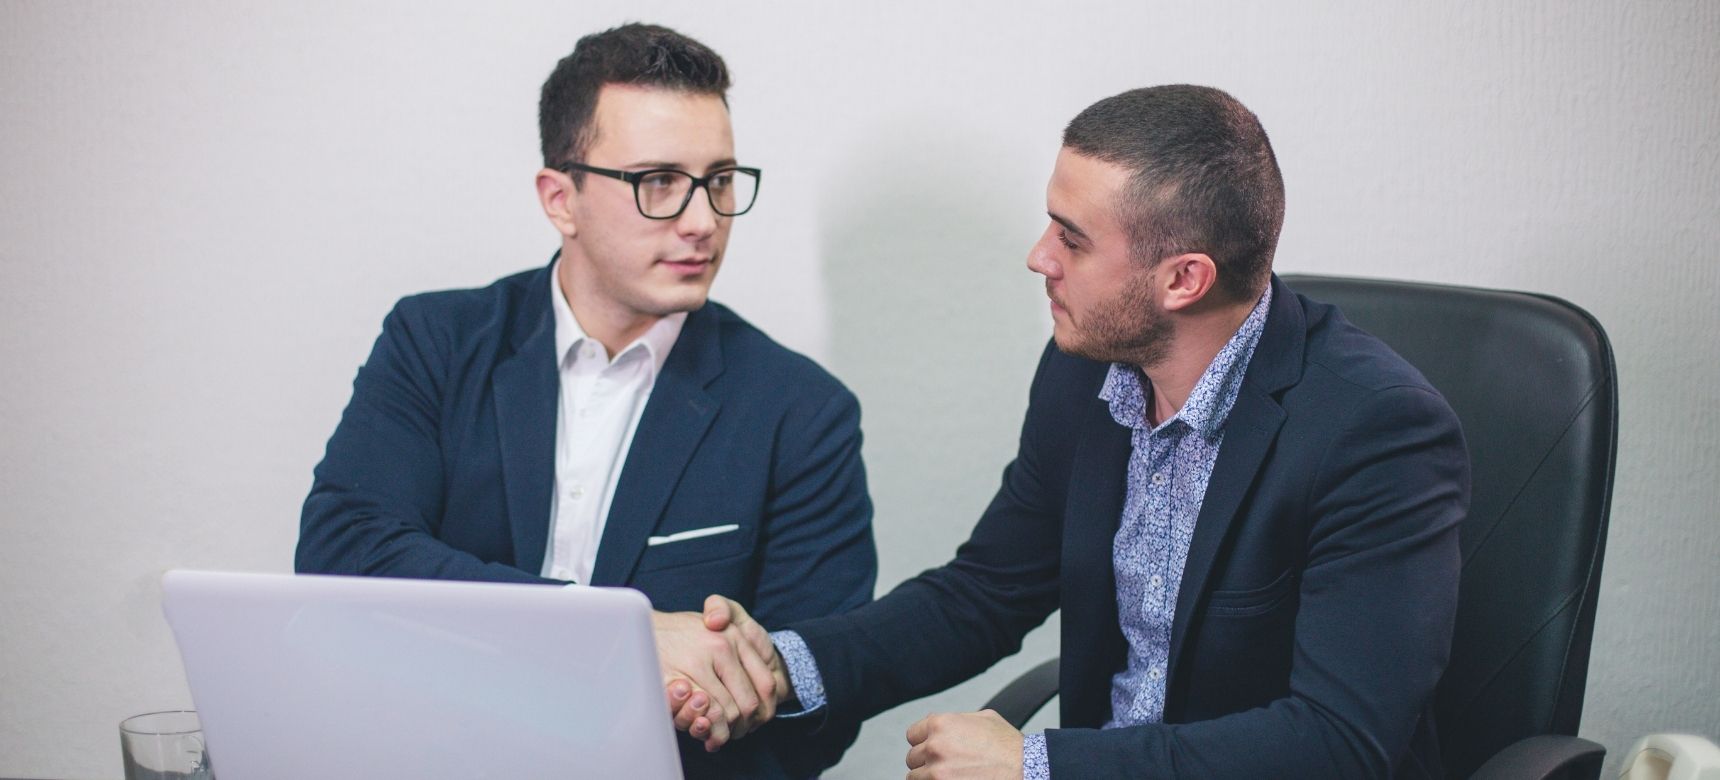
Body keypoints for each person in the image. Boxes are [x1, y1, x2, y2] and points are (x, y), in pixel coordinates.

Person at [677, 85, 1469, 778]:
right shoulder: (1083, 373)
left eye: (1072, 238)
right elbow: (983, 593)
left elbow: (1338, 744)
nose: (1038, 257)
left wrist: (1037, 766)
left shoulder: (1377, 432)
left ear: (1183, 279)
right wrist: (779, 667)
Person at [294, 23, 876, 779]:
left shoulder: (802, 411)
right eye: (658, 181)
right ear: (560, 199)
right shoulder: (435, 341)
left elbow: (814, 705)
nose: (703, 220)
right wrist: (621, 633)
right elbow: (345, 553)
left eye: (721, 179)